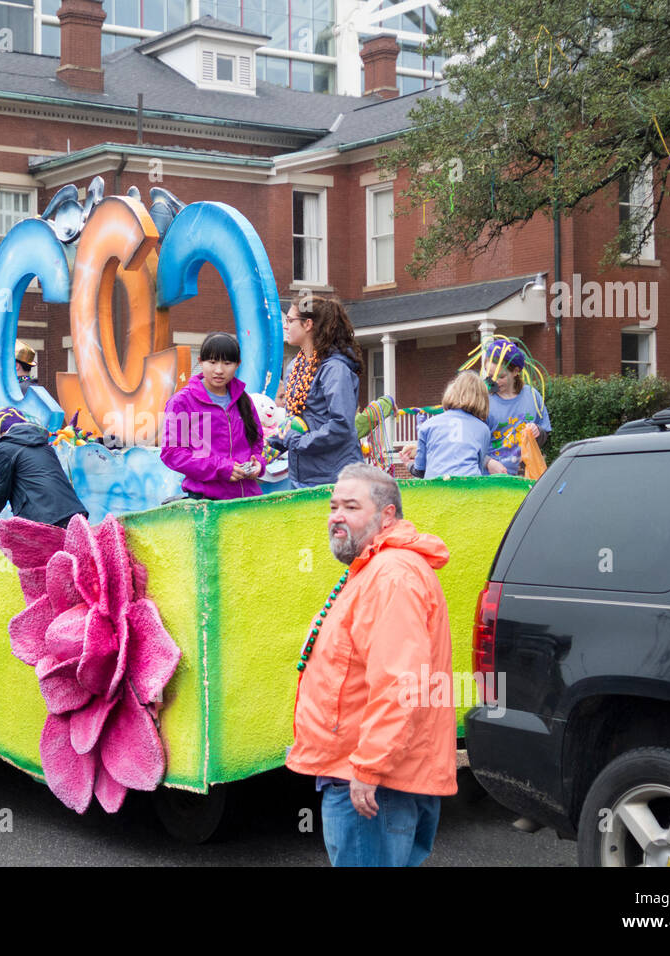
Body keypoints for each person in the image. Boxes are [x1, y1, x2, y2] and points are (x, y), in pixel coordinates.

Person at [286, 463, 457, 867]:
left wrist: (369, 767)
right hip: (371, 775)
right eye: (332, 507)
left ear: (386, 516)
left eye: (350, 506)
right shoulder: (376, 569)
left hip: (369, 784)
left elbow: (402, 684)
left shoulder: (391, 575)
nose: (336, 517)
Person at [159, 332, 267, 500]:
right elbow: (172, 453)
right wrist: (220, 468)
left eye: (227, 363)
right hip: (206, 501)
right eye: (212, 361)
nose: (219, 370)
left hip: (247, 499)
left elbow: (257, 442)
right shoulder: (182, 402)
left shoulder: (243, 400)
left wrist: (258, 462)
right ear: (200, 361)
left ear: (238, 364)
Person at [272, 295, 364, 487]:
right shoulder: (294, 368)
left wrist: (295, 441)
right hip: (301, 477)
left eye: (290, 320)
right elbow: (295, 424)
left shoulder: (334, 370)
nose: (285, 326)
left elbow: (341, 426)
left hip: (335, 479)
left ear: (308, 325)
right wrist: (268, 448)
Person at [0, 407, 88, 528]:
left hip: (43, 517)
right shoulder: (43, 443)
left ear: (1, 432)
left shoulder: (5, 447)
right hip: (73, 511)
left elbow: (2, 487)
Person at [399, 372, 507, 479]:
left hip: (436, 490)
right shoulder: (483, 429)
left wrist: (408, 463)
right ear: (482, 400)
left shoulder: (428, 425)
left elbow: (419, 471)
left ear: (451, 392)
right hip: (468, 488)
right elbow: (478, 464)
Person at [483, 341, 551, 476]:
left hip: (526, 477)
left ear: (515, 371)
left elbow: (545, 434)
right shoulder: (483, 400)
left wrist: (538, 431)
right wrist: (487, 462)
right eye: (490, 376)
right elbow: (471, 444)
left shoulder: (532, 395)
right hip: (493, 480)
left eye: (501, 376)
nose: (494, 381)